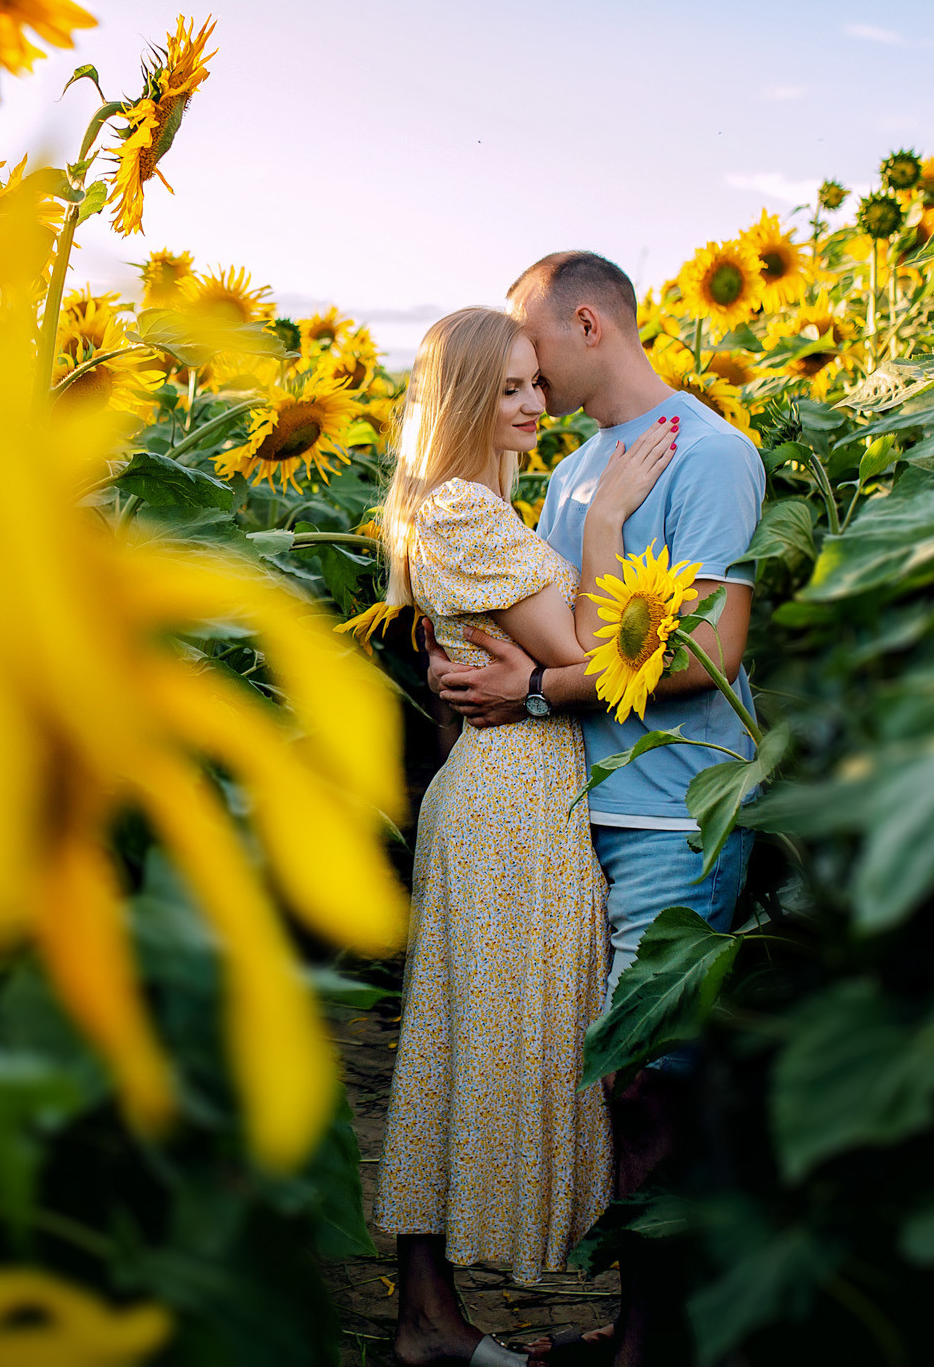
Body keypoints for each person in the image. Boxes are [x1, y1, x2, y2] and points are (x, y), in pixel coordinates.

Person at [428, 251, 767, 1367]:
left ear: (586, 324)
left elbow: (708, 652)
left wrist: (530, 688)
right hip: (576, 812)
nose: (526, 375)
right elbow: (547, 623)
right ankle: (635, 1324)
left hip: (674, 809)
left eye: (533, 349)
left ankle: (651, 1346)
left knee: (647, 1075)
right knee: (611, 1081)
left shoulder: (707, 452)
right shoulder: (573, 470)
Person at [375, 306, 679, 1367]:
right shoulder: (463, 509)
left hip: (517, 791)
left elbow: (535, 660)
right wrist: (606, 526)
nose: (534, 403)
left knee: (461, 1037)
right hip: (511, 803)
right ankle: (425, 1313)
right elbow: (588, 650)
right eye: (506, 388)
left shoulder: (479, 505)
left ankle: (428, 1313)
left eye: (534, 382)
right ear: (461, 399)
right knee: (477, 1040)